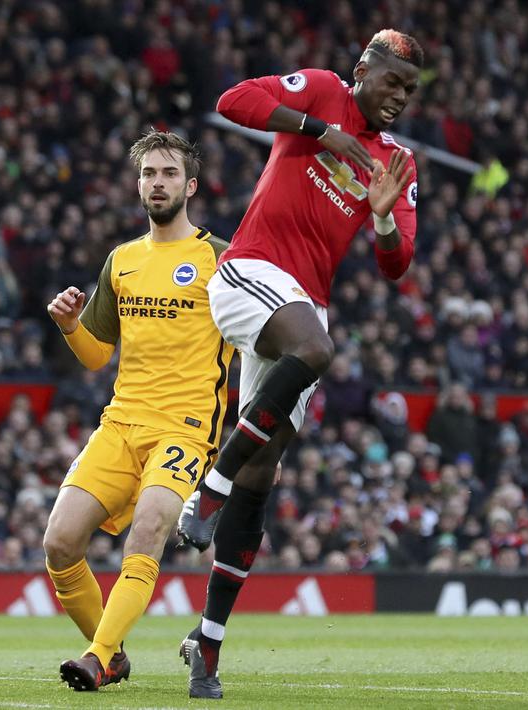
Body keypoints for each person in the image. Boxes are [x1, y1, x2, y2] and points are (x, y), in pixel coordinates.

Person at [176, 29, 423, 699]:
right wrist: (323, 131)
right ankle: (207, 490)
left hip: (303, 301)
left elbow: (396, 263)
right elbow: (233, 101)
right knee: (317, 352)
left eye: (409, 90)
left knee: (264, 471)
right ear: (360, 71)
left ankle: (207, 645)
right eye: (390, 82)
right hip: (249, 272)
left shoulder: (395, 162)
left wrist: (378, 220)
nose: (399, 97)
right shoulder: (319, 91)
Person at [43, 130, 232, 692]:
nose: (157, 183)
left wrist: (259, 436)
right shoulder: (121, 260)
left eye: (169, 174)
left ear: (190, 186)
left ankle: (97, 657)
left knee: (147, 532)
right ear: (138, 183)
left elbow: (254, 346)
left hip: (186, 427)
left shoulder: (220, 258)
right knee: (59, 544)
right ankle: (114, 652)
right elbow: (98, 355)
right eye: (149, 173)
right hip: (122, 422)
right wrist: (71, 326)